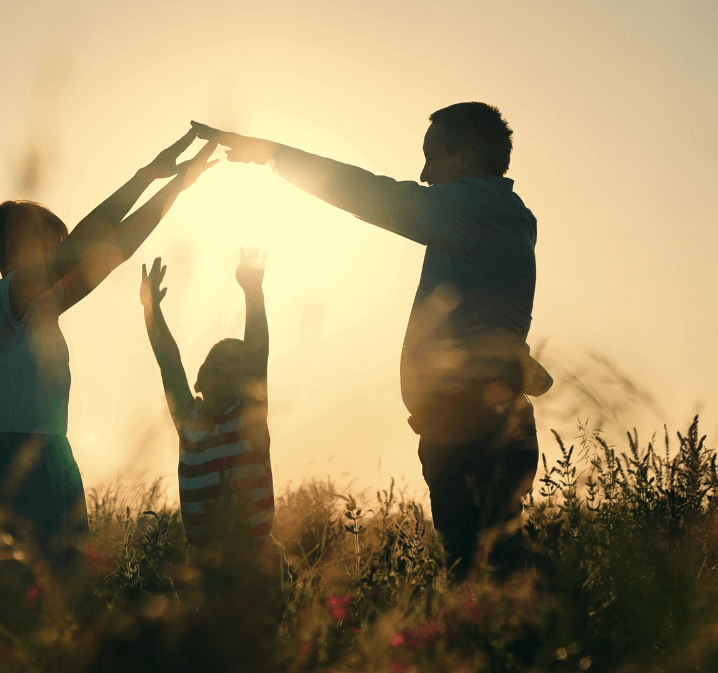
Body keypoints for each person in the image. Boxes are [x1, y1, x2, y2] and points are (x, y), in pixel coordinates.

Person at [192, 103, 553, 580]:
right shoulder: (505, 216)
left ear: (464, 156)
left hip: (471, 428)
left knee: (479, 577)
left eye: (432, 157)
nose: (424, 175)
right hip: (473, 423)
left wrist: (273, 154)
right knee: (493, 566)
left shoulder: (478, 207)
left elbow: (374, 195)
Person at [0, 130, 218, 631]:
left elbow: (113, 247)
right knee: (3, 615)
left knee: (56, 614)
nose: (60, 247)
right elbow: (83, 248)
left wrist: (177, 186)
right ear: (20, 245)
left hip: (53, 462)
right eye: (50, 239)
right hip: (15, 465)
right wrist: (142, 177)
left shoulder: (43, 307)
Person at [139, 248, 273, 550]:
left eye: (236, 364)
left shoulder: (248, 418)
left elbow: (257, 351)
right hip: (206, 564)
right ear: (199, 379)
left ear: (247, 385)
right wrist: (151, 309)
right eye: (218, 361)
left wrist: (253, 291)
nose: (227, 364)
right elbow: (169, 362)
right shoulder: (189, 423)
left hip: (254, 560)